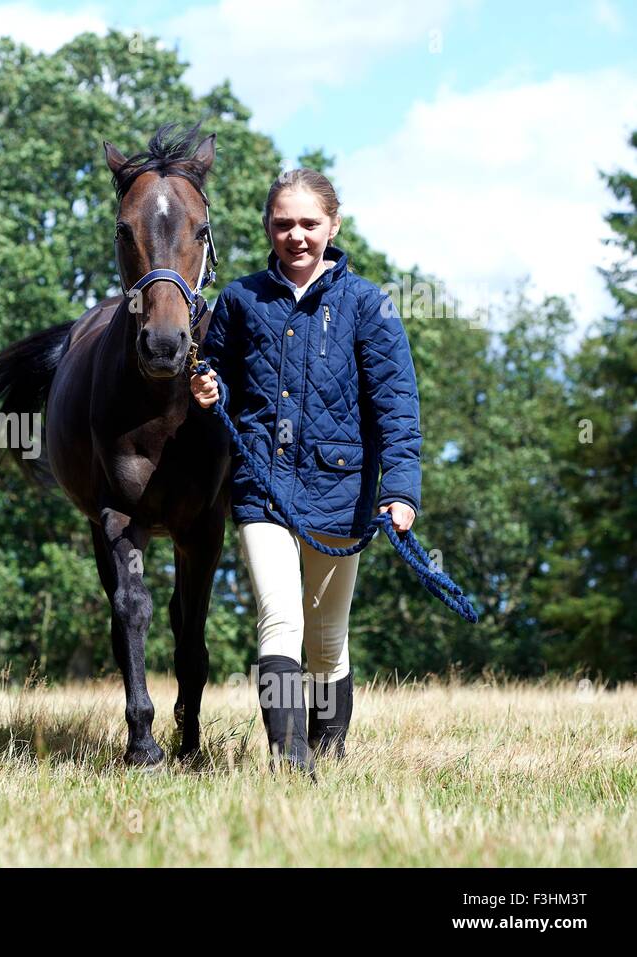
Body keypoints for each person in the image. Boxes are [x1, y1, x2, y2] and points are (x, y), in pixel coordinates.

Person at [190, 168, 421, 774]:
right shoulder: (239, 300)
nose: (295, 235)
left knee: (326, 638)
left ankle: (329, 748)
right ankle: (288, 758)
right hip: (260, 485)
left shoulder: (368, 304)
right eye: (283, 223)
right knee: (280, 618)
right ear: (268, 225)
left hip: (341, 491)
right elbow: (216, 379)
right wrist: (208, 390)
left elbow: (397, 406)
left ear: (333, 225)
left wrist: (399, 491)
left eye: (309, 224)